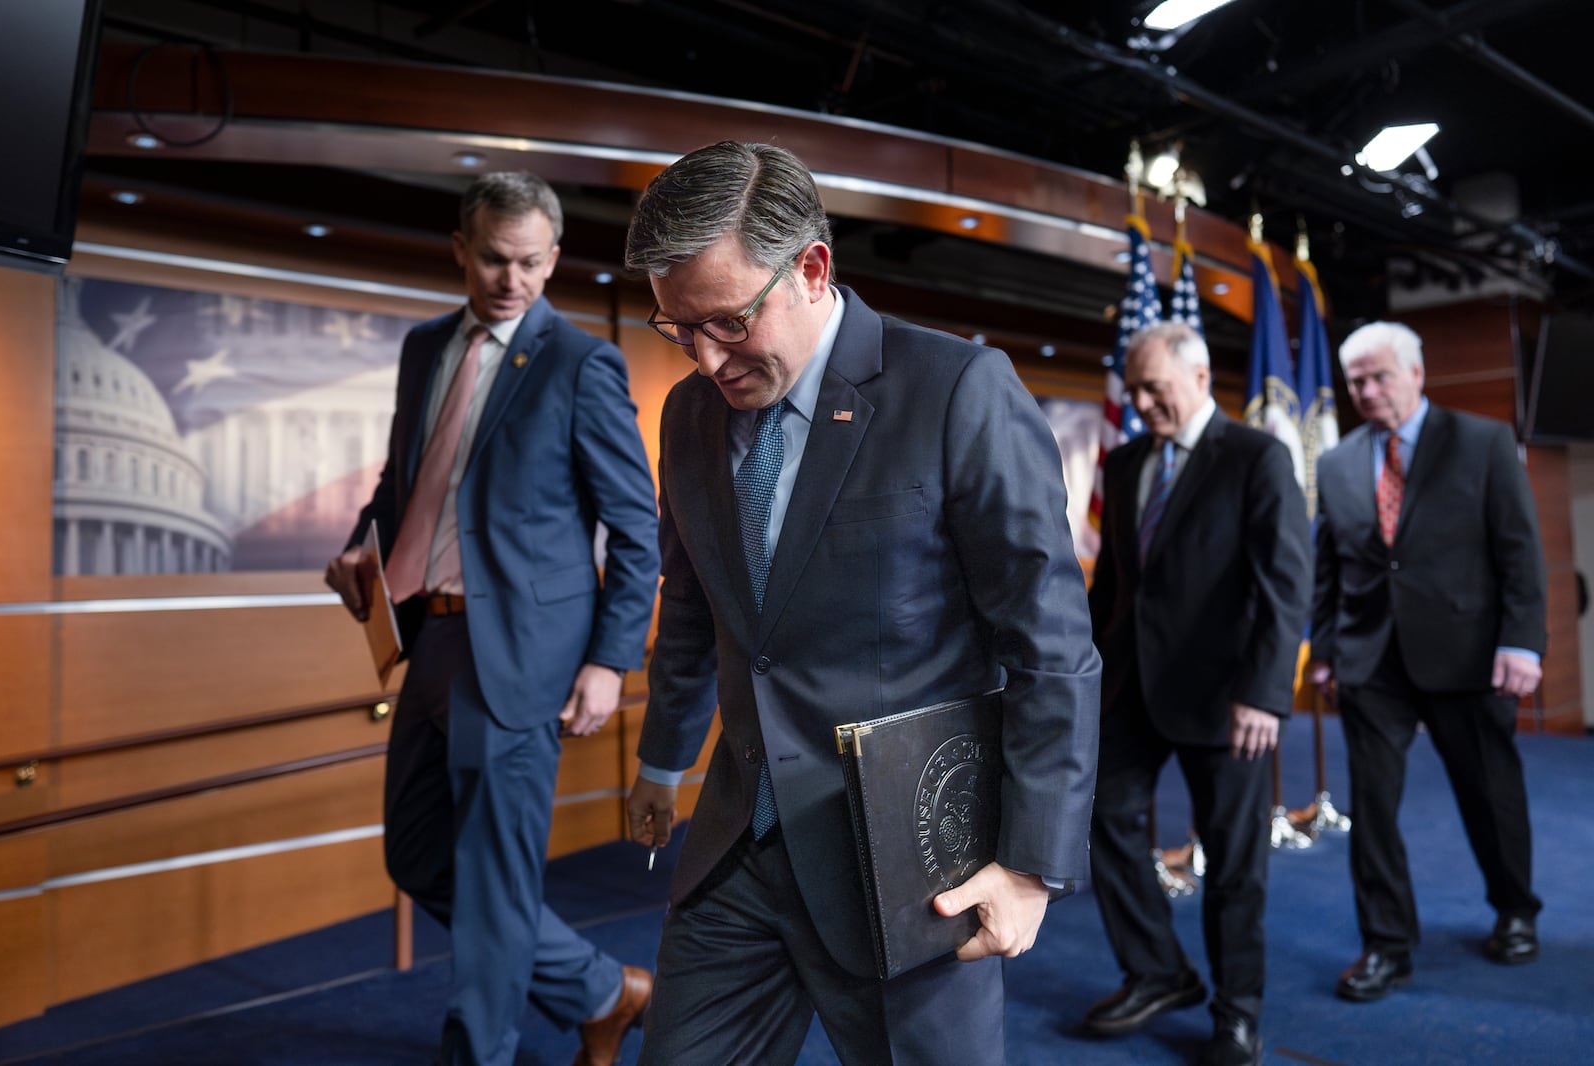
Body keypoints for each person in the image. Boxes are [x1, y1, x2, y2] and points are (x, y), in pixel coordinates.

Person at [621, 141, 1100, 1065]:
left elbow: (1049, 643)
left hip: (906, 863)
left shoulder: (956, 390)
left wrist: (1032, 865)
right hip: (740, 847)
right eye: (679, 330)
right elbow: (694, 604)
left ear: (812, 268)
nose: (708, 357)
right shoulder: (686, 417)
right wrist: (661, 760)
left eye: (726, 321)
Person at [324, 171, 660, 1066]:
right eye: (495, 259)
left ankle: (479, 1052)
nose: (512, 279)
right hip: (426, 638)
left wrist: (606, 661)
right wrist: (365, 544)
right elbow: (405, 482)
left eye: (531, 263)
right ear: (461, 251)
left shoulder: (581, 363)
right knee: (419, 856)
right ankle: (602, 992)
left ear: (553, 261)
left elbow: (635, 529)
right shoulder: (423, 347)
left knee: (496, 880)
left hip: (522, 655)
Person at [1084, 321, 1311, 1066]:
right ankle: (1158, 972)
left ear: (1201, 376)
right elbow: (1115, 587)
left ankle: (1236, 1012)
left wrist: (1266, 693)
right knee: (1100, 816)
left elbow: (1285, 585)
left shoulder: (1257, 457)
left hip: (1229, 701)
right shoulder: (1122, 466)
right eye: (1135, 388)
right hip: (1132, 689)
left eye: (1155, 387)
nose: (1142, 401)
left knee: (1234, 862)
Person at [1307, 321, 1546, 1002]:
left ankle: (1515, 909)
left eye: (1381, 376)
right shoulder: (1337, 462)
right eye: (1357, 381)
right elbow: (1331, 570)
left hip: (1470, 656)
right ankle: (1387, 944)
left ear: (1417, 373)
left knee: (1489, 792)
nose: (1369, 391)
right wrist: (1324, 651)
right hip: (1370, 663)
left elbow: (1520, 551)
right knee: (1373, 811)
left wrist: (1523, 640)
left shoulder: (1483, 442)